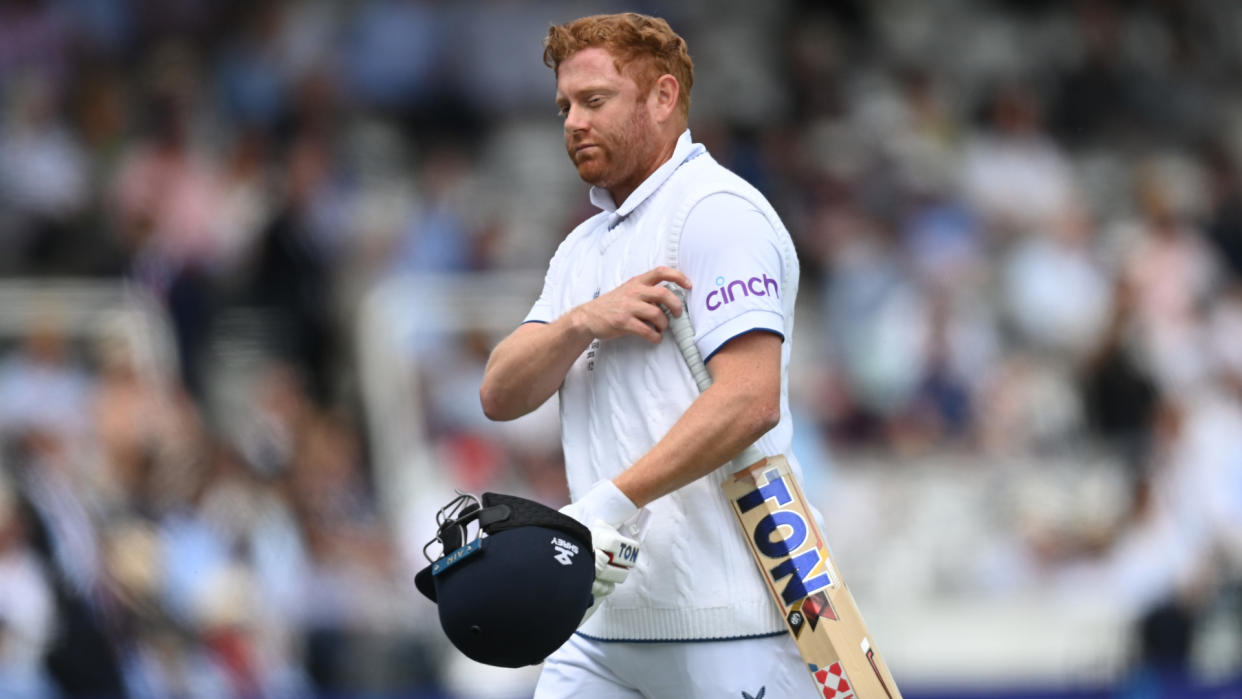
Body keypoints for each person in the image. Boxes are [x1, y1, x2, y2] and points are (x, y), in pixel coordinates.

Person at [478, 12, 810, 697]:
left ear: (662, 99)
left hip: (733, 624)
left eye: (595, 101)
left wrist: (605, 504)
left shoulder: (715, 211)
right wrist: (580, 322)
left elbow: (750, 398)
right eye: (565, 106)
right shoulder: (584, 248)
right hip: (601, 632)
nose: (572, 121)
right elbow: (499, 393)